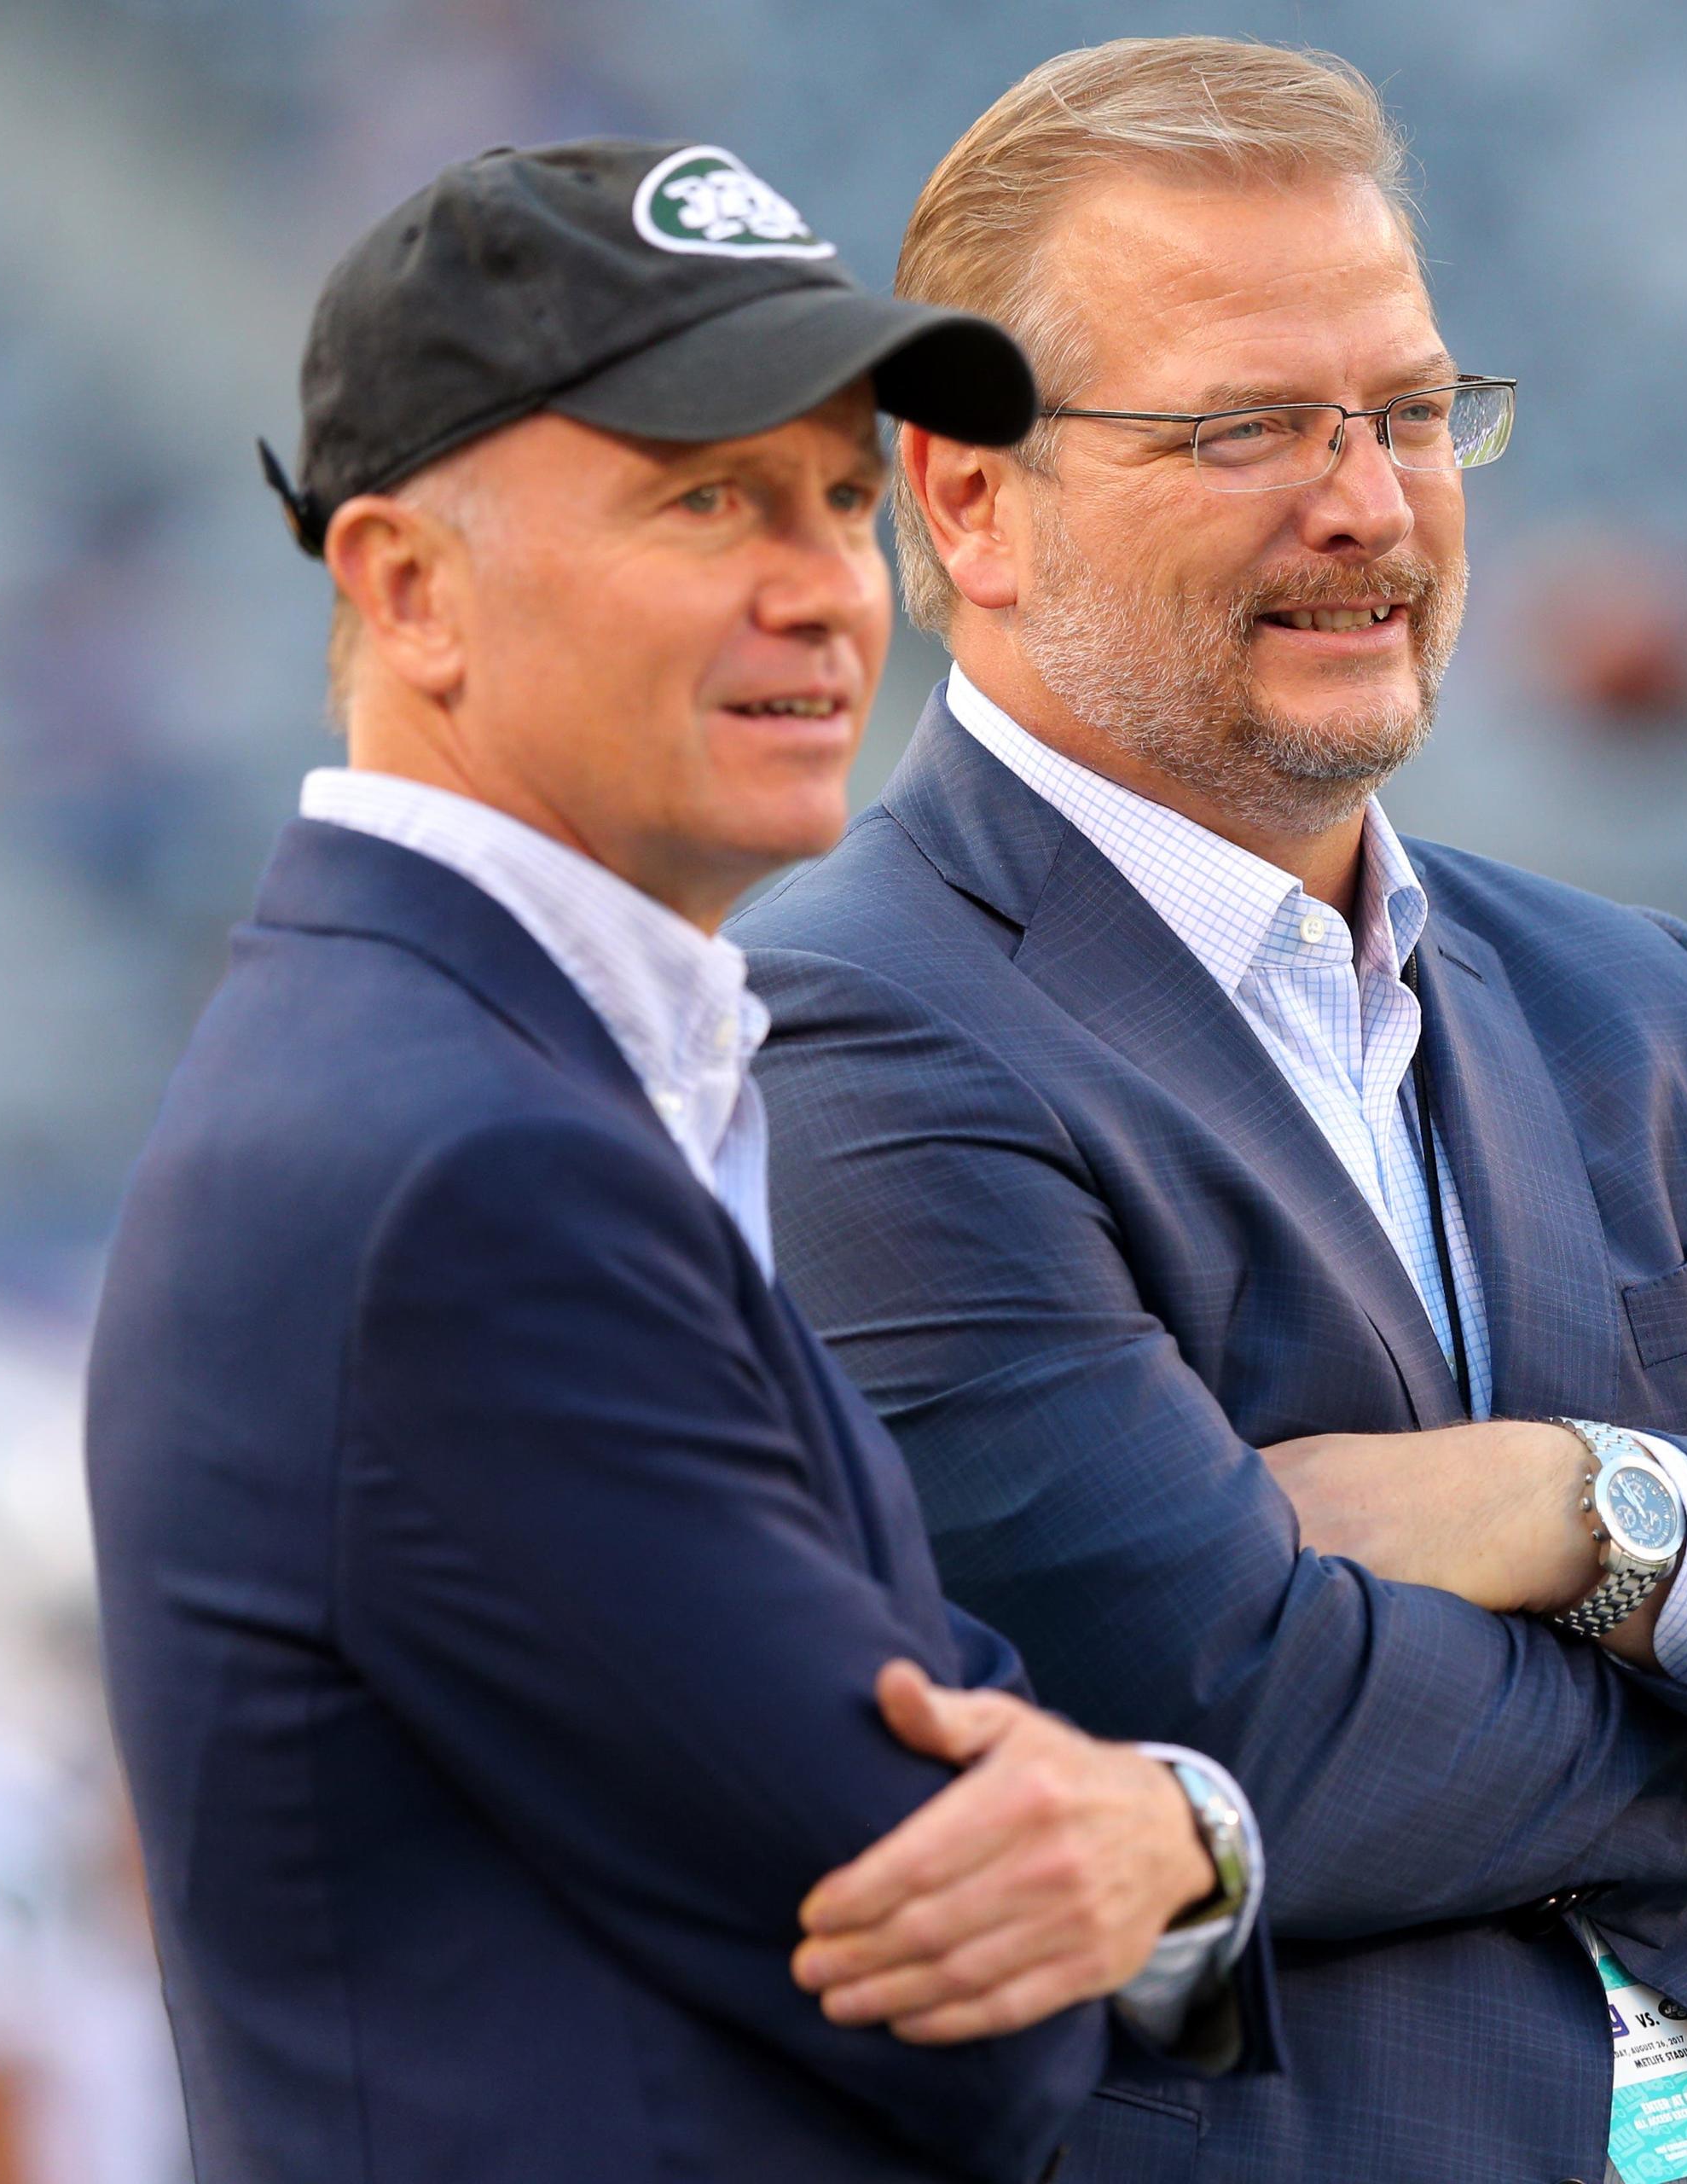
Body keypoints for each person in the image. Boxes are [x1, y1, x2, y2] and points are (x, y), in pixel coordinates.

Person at [733, 38, 1687, 2184]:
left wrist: (1593, 1511)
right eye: (1246, 428)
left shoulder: (1647, 1007)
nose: (1369, 502)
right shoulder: (847, 1028)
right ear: (966, 493)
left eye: (1411, 413)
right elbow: (1249, 1737)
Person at [85, 140, 1271, 2184]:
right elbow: (959, 1989)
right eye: (703, 495)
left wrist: (1147, 1829)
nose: (824, 581)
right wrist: (1192, 1827)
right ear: (403, 586)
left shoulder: (470, 1078)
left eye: (834, 493)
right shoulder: (457, 1166)